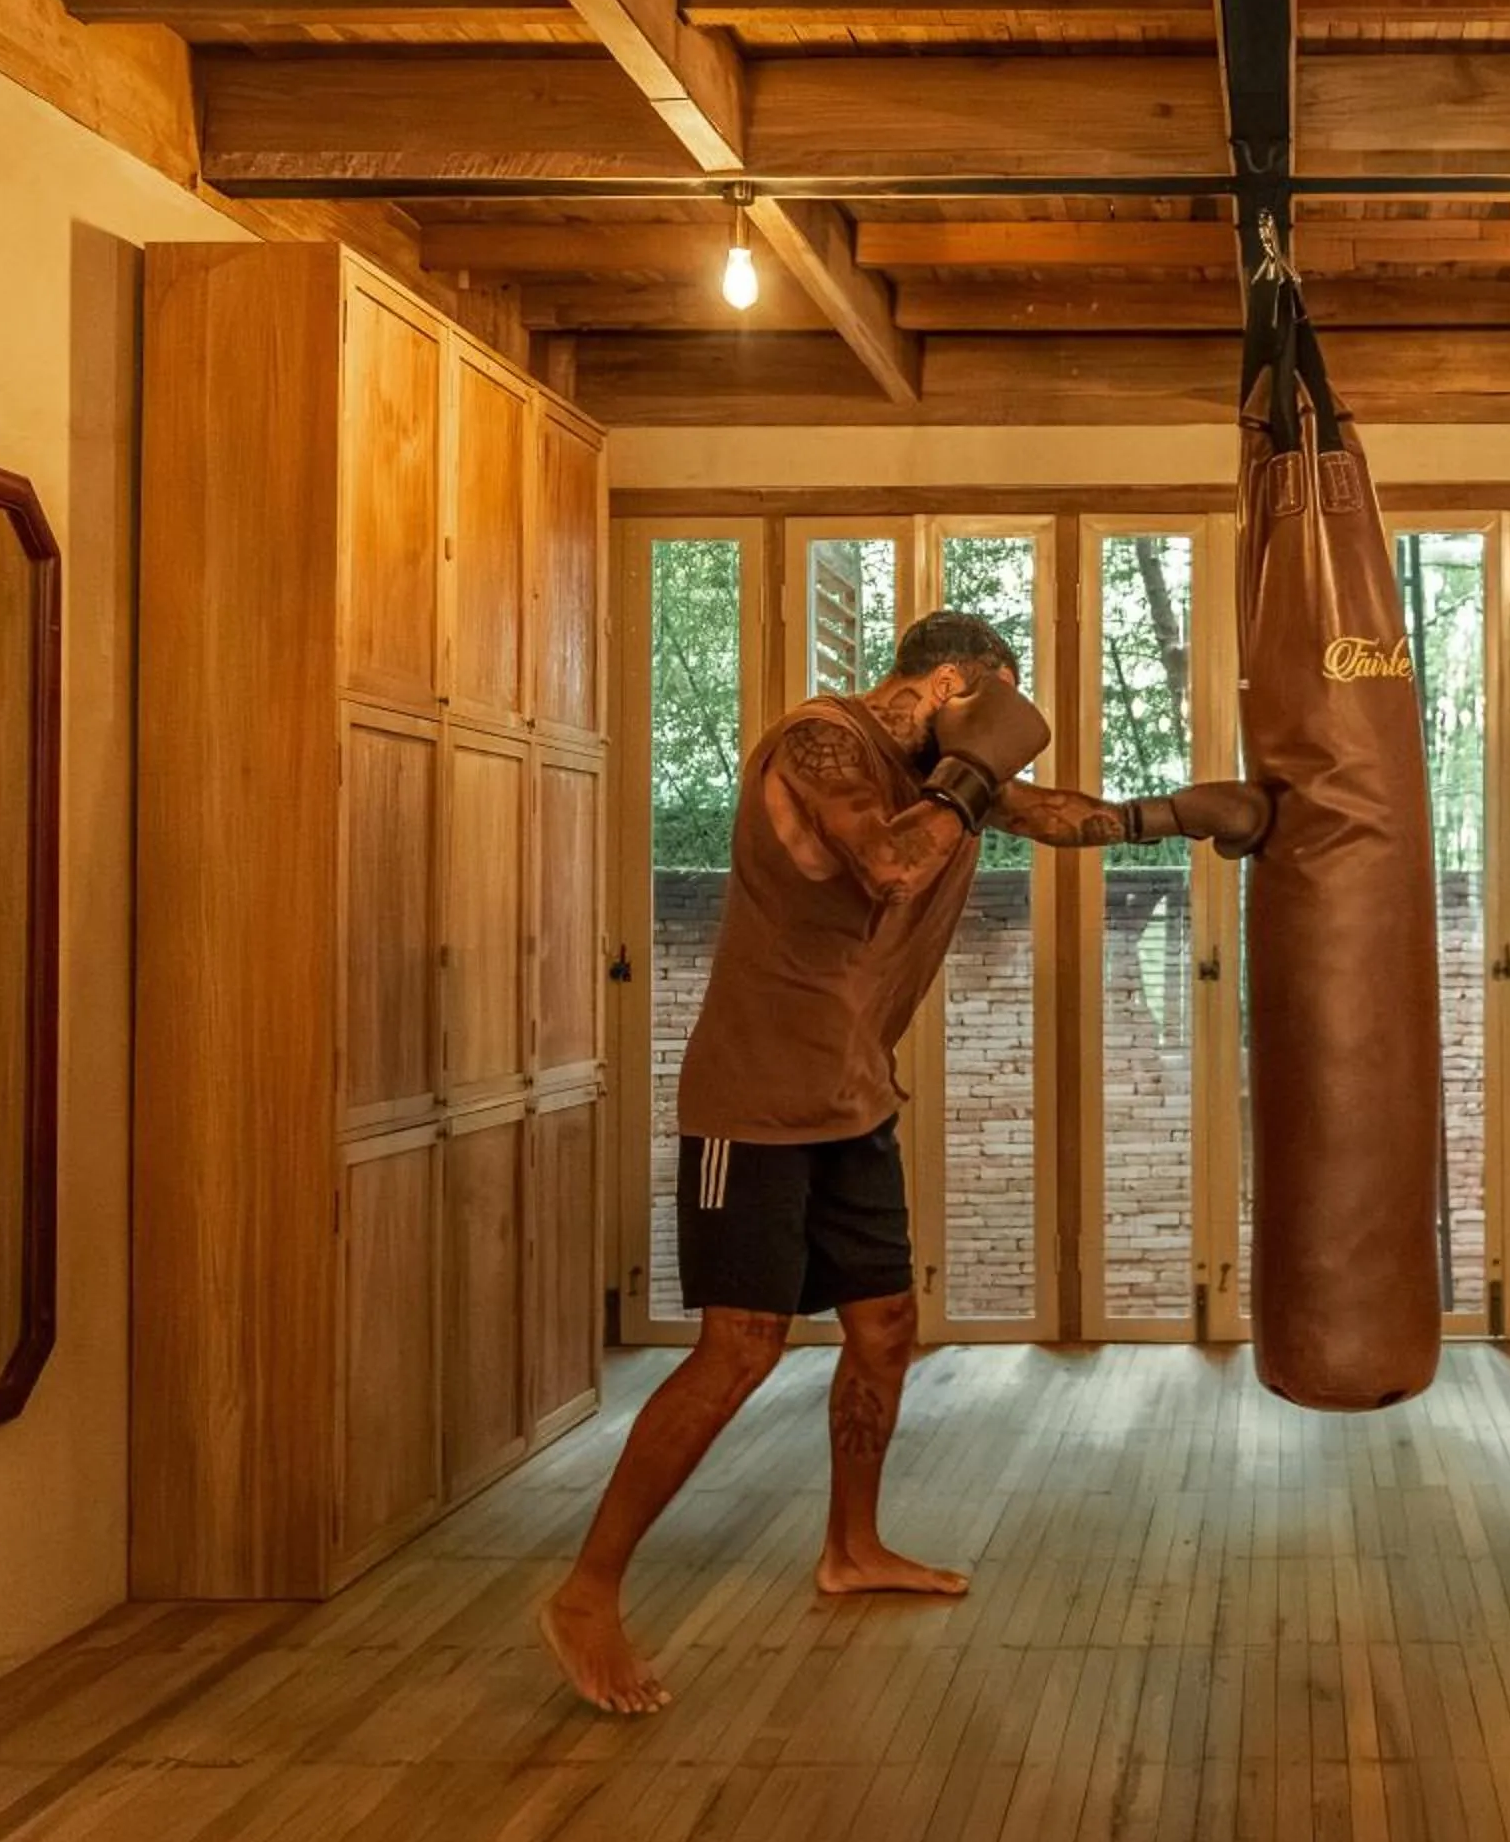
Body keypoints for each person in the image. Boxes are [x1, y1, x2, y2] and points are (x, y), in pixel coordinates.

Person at [539, 610, 1268, 1714]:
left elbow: (1043, 812)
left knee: (885, 1327)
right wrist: (973, 770)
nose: (995, 742)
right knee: (741, 1349)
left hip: (850, 1098)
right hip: (755, 1103)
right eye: (995, 703)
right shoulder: (820, 742)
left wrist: (1167, 815)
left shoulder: (942, 776)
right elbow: (886, 863)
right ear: (947, 686)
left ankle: (853, 1543)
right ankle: (588, 1590)